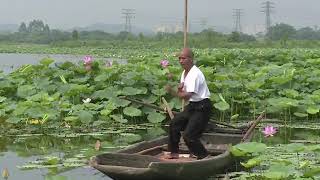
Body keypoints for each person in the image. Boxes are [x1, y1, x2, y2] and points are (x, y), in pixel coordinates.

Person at [165, 48, 212, 160]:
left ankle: (204, 155)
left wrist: (172, 92)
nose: (181, 61)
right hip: (192, 105)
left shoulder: (195, 74)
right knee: (174, 124)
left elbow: (187, 96)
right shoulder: (184, 73)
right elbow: (185, 98)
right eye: (179, 58)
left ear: (191, 59)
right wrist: (180, 90)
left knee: (189, 136)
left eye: (184, 58)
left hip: (202, 107)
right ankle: (174, 153)